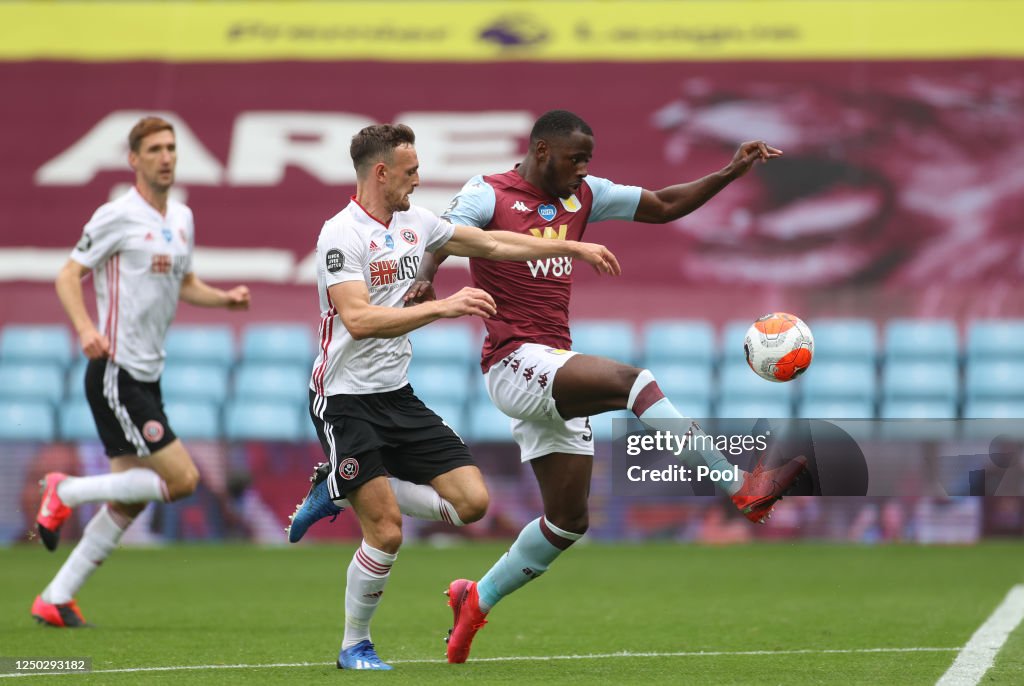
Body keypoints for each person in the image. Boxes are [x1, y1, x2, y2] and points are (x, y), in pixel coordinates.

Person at [411, 110, 809, 663]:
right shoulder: (489, 191)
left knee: (568, 522)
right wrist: (428, 272)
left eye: (587, 161)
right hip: (513, 361)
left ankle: (476, 598)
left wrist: (728, 172)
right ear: (543, 151)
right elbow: (446, 234)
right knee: (633, 380)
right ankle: (739, 485)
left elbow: (665, 205)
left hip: (551, 365)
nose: (583, 170)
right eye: (575, 159)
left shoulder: (587, 195)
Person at [285, 123, 619, 671]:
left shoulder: (418, 223)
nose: (419, 180)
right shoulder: (339, 234)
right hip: (344, 397)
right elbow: (360, 320)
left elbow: (489, 242)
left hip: (398, 395)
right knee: (387, 529)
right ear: (381, 172)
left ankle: (340, 485)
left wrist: (574, 246)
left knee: (471, 504)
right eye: (411, 171)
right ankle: (354, 645)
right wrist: (443, 307)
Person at [33, 116, 251, 628]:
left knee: (128, 499)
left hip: (147, 376)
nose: (166, 156)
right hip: (115, 372)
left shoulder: (183, 218)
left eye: (171, 147)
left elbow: (184, 281)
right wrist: (85, 329)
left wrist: (224, 299)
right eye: (154, 148)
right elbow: (68, 275)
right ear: (134, 159)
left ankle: (56, 596)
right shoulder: (116, 215)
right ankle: (64, 491)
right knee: (181, 480)